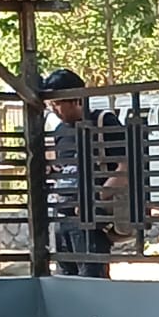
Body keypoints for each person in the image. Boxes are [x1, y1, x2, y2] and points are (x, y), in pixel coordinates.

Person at [39, 68, 127, 279]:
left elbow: (126, 168)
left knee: (93, 284)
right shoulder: (60, 132)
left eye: (58, 103)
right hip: (63, 222)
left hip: (91, 223)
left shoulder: (104, 122)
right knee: (65, 284)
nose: (54, 109)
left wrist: (95, 199)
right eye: (51, 104)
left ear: (76, 99)